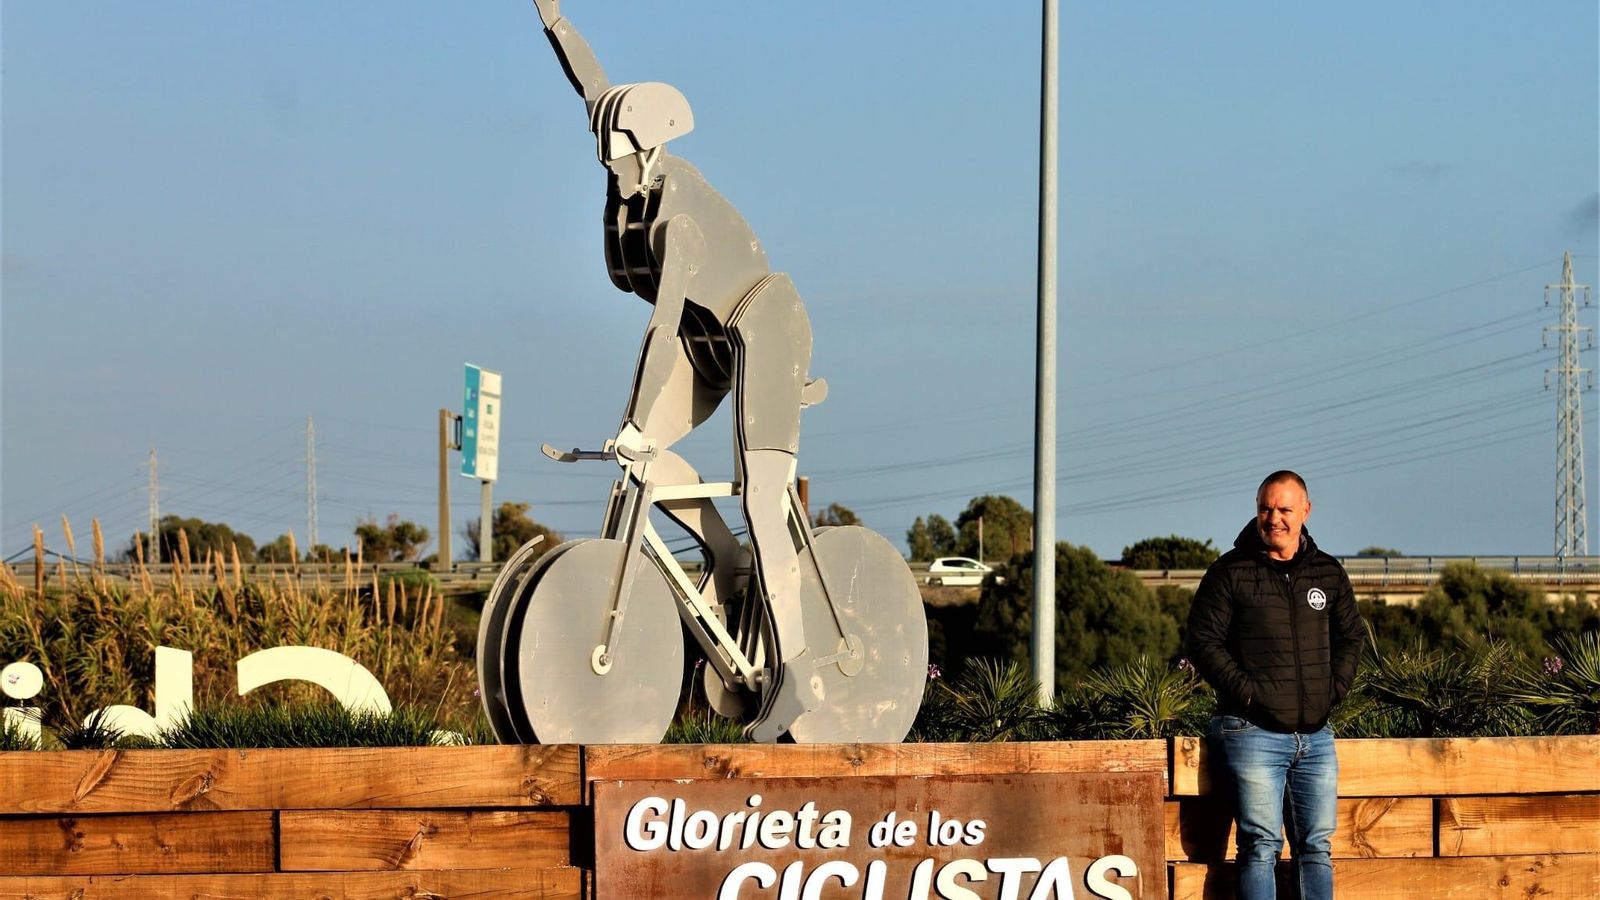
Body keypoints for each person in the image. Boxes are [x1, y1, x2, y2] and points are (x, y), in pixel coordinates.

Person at [1186, 471, 1364, 900]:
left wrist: (1332, 691)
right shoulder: (1230, 571)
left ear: (1305, 511)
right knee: (1261, 845)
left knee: (1316, 848)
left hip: (1316, 737)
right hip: (1252, 733)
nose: (1274, 518)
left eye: (1285, 509)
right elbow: (1202, 641)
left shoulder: (1327, 572)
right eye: (1266, 508)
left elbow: (1351, 637)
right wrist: (1248, 695)